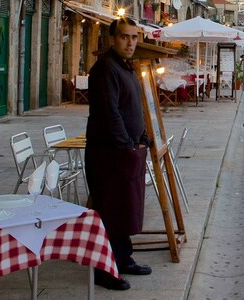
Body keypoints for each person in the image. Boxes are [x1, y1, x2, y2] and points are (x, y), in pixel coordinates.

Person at [85, 17, 153, 291]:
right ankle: (103, 270)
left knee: (123, 209)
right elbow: (109, 112)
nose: (130, 42)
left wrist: (142, 136)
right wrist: (126, 143)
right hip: (108, 154)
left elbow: (132, 107)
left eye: (134, 37)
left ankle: (122, 259)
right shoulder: (105, 69)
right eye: (125, 37)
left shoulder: (126, 68)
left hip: (124, 152)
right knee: (109, 212)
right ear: (112, 39)